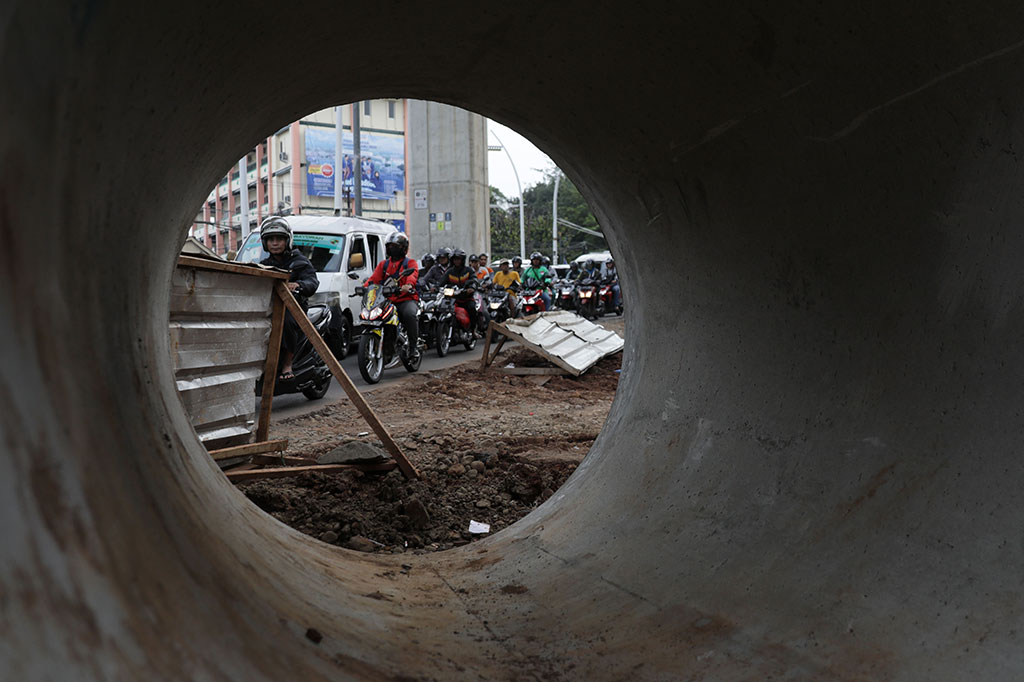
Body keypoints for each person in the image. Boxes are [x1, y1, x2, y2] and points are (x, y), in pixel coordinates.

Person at [259, 216, 319, 380]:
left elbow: (312, 282)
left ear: (288, 240)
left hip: (294, 308)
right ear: (265, 243)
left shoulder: (299, 261)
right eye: (271, 239)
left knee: (286, 322)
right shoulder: (263, 265)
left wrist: (298, 285)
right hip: (270, 307)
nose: (275, 243)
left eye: (279, 239)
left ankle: (287, 364)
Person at [365, 231, 420, 361]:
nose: (390, 249)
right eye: (389, 246)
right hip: (386, 300)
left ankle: (413, 347)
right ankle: (386, 347)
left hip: (405, 299)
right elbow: (374, 279)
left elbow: (412, 276)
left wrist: (408, 286)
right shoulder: (383, 265)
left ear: (403, 248)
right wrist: (364, 288)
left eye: (394, 246)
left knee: (409, 314)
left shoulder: (410, 263)